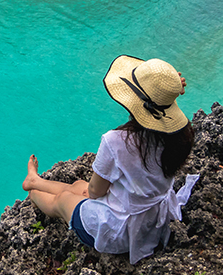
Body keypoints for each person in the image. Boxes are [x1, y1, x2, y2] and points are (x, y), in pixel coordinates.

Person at [21, 56, 200, 264]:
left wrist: (93, 194)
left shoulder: (117, 141)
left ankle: (33, 192)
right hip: (154, 220)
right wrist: (167, 88)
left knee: (65, 199)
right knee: (79, 186)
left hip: (121, 231)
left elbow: (96, 191)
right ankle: (35, 180)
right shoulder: (181, 136)